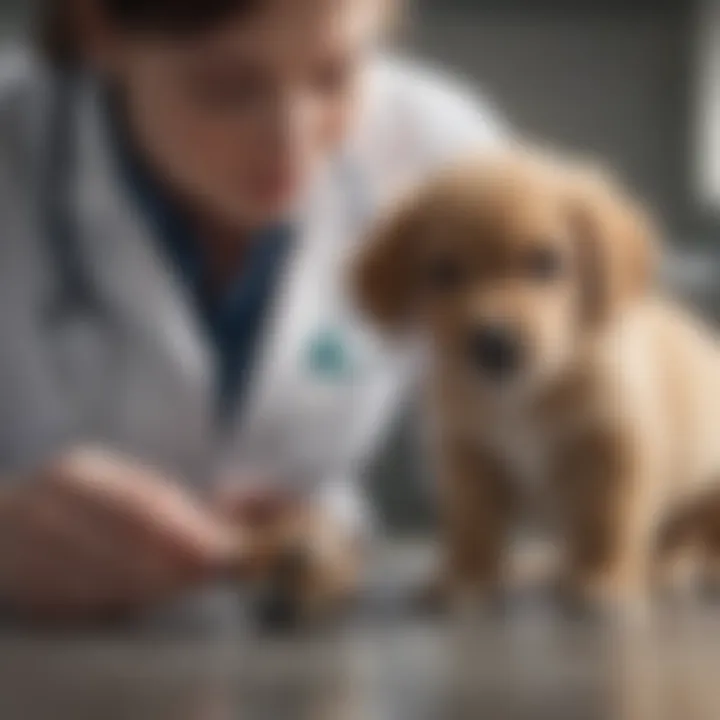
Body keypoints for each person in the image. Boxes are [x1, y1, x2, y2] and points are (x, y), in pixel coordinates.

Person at [0, 0, 503, 624]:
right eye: (226, 88)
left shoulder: (436, 149)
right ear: (97, 27)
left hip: (312, 650)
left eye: (335, 75)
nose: (290, 142)